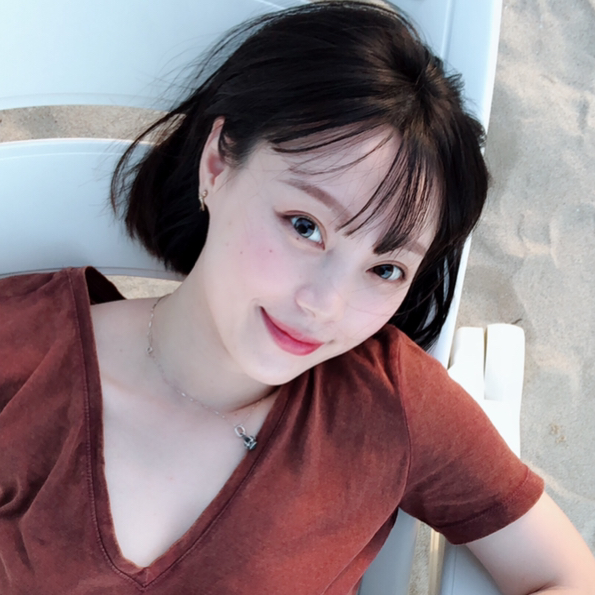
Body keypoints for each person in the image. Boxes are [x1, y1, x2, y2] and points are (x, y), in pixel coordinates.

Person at [1, 1, 594, 593]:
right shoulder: (22, 348)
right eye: (305, 226)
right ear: (217, 164)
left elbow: (563, 574)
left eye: (385, 269)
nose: (325, 303)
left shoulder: (389, 409)